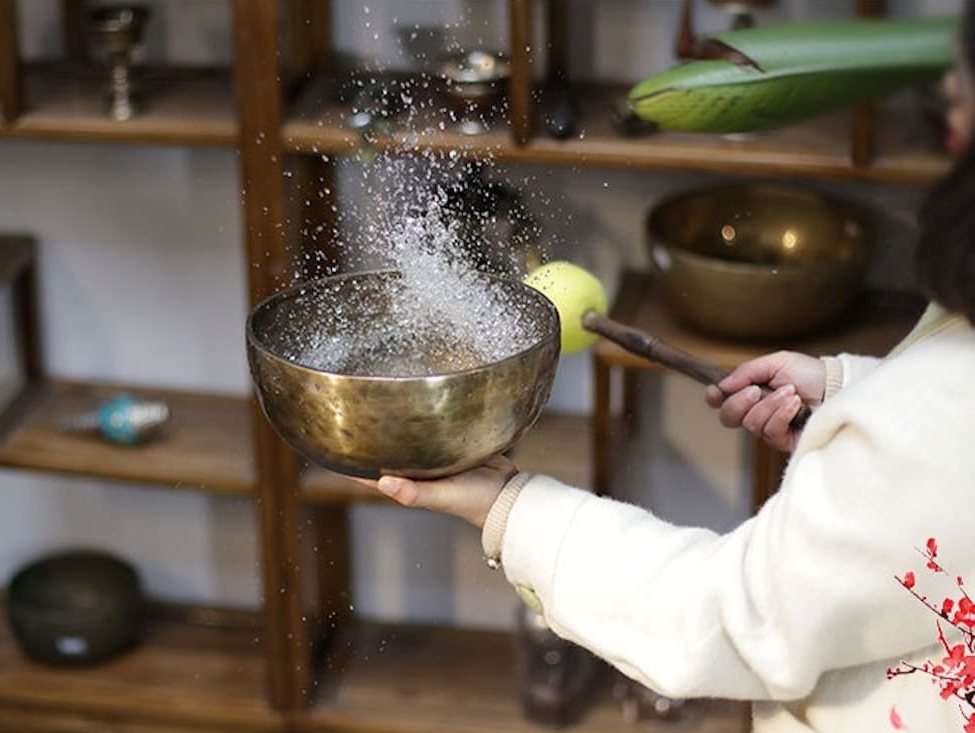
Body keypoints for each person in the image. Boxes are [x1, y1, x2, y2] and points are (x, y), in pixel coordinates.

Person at [354, 10, 975, 733]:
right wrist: (848, 395)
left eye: (969, 71)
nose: (950, 91)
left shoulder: (933, 426)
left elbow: (725, 618)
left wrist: (508, 507)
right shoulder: (930, 415)